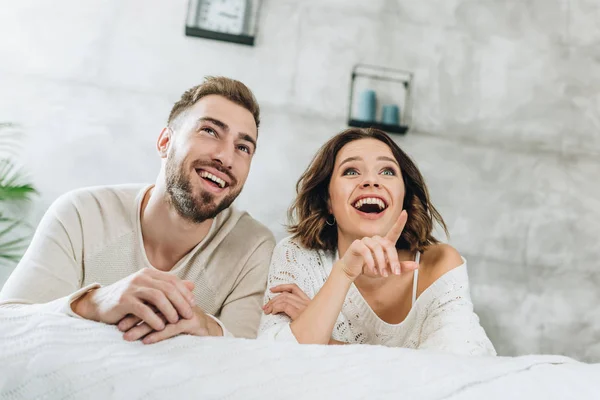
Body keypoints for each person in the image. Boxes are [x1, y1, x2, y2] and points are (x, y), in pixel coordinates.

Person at [0, 76, 275, 342]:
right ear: (165, 143)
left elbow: (246, 357)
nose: (226, 157)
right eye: (210, 131)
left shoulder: (252, 247)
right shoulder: (80, 214)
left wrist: (208, 328)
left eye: (243, 147)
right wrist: (92, 304)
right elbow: (8, 323)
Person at [258, 128, 496, 356]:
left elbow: (451, 370)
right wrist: (343, 273)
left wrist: (326, 341)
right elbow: (275, 362)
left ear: (404, 198)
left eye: (387, 171)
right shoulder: (297, 255)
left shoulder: (439, 266)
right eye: (351, 171)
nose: (371, 181)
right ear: (328, 201)